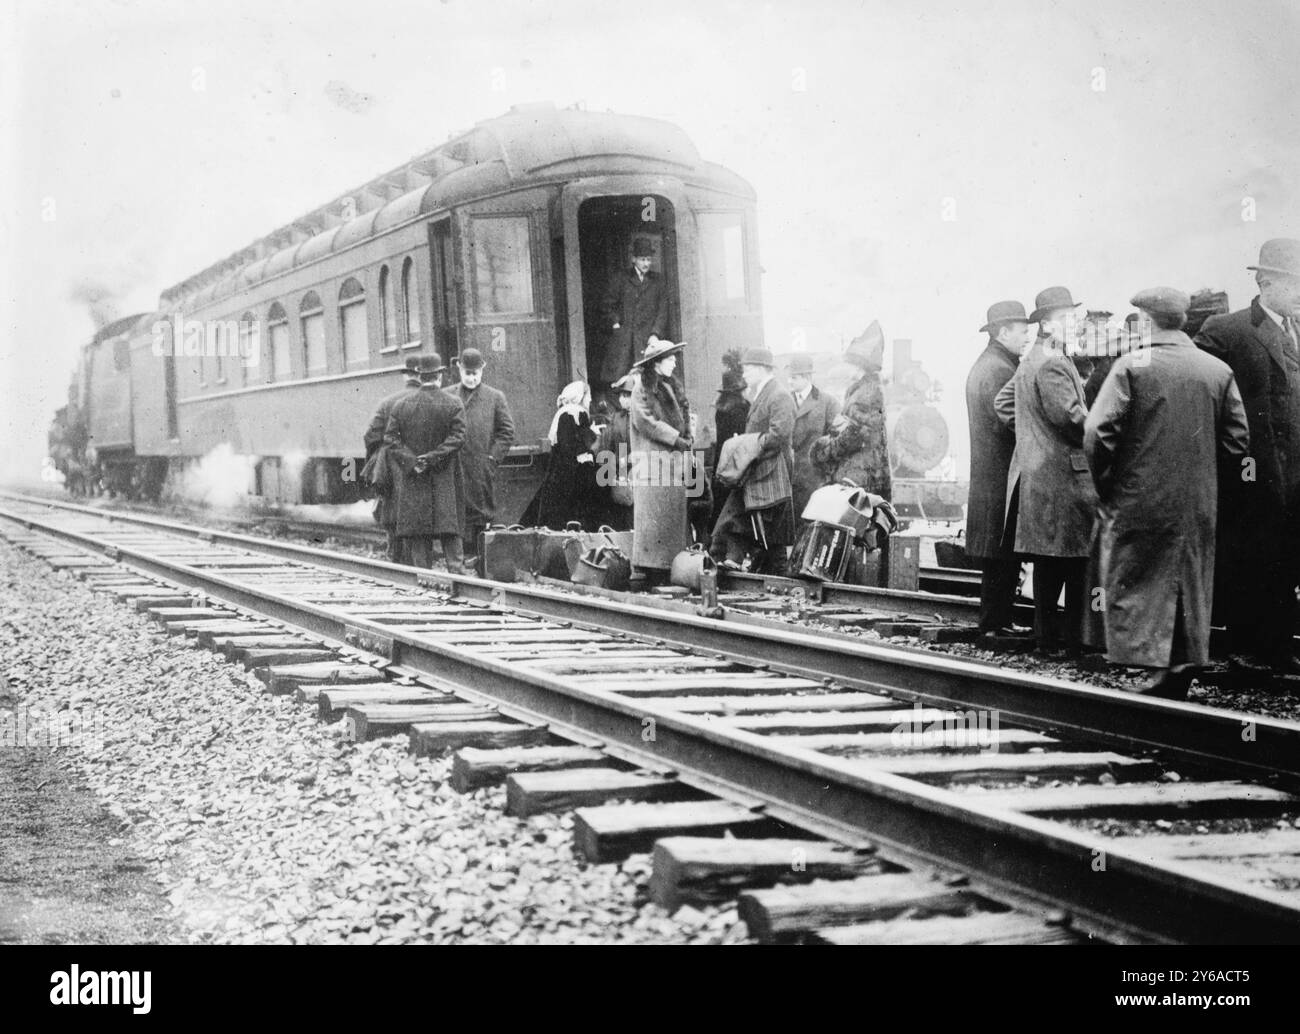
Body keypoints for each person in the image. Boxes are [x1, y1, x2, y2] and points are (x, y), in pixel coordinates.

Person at [1085, 288, 1250, 698]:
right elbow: (1238, 442)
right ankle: (1180, 664)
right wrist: (1209, 487)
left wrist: (1107, 483)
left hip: (1138, 497)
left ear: (1147, 320)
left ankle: (1154, 663)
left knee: (1138, 579)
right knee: (1187, 581)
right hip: (1197, 503)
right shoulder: (1216, 370)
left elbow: (1096, 433)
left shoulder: (1133, 365)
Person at [1195, 238, 1300, 677]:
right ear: (1265, 283)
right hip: (1251, 470)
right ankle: (1244, 645)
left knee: (1287, 556)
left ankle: (1276, 645)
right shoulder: (1229, 329)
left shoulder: (1296, 330)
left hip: (1294, 470)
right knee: (1251, 557)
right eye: (1295, 285)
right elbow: (1201, 394)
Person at [995, 286, 1097, 655]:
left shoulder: (1034, 358)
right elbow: (1071, 418)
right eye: (1072, 318)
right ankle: (1068, 641)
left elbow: (1004, 401)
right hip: (1064, 478)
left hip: (1041, 475)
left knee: (1049, 563)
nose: (1079, 324)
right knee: (1071, 563)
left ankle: (1048, 639)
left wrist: (1029, 436)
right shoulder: (1053, 361)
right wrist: (1107, 429)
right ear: (1053, 323)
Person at [964, 300, 1031, 635]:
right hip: (1001, 475)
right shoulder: (1000, 369)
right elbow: (1009, 422)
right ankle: (995, 623)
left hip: (990, 475)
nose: (1027, 338)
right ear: (1003, 331)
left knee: (998, 554)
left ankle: (997, 620)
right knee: (1001, 554)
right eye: (1022, 331)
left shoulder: (989, 364)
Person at [710, 347, 796, 574]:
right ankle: (727, 562)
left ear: (760, 369)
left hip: (772, 472)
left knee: (759, 524)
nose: (744, 375)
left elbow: (779, 436)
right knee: (753, 522)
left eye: (747, 369)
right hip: (760, 470)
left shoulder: (779, 395)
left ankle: (729, 561)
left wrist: (748, 445)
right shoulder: (764, 394)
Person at [383, 354, 467, 572]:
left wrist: (414, 461)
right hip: (444, 478)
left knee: (419, 535)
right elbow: (458, 437)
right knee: (450, 530)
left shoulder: (401, 406)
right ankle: (459, 579)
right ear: (439, 375)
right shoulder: (453, 403)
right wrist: (433, 458)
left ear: (419, 376)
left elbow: (390, 439)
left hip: (414, 477)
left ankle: (424, 581)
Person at [629, 338, 694, 574]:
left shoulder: (670, 386)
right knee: (654, 519)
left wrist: (687, 435)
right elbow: (645, 421)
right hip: (652, 463)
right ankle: (649, 568)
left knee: (670, 519)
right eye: (670, 358)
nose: (674, 362)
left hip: (671, 462)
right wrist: (676, 438)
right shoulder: (642, 389)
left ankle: (669, 566)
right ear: (656, 363)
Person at [445, 347, 515, 565]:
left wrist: (492, 459)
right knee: (454, 511)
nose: (472, 378)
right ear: (459, 370)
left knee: (481, 512)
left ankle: (479, 558)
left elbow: (506, 432)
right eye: (468, 373)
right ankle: (459, 558)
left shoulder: (495, 397)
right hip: (453, 466)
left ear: (482, 371)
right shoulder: (447, 395)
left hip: (480, 467)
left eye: (476, 373)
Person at [809, 321, 892, 498]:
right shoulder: (863, 390)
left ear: (859, 366)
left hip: (860, 476)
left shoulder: (867, 393)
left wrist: (826, 450)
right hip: (861, 473)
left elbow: (856, 434)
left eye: (850, 365)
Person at [521, 380, 602, 530]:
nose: (590, 400)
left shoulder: (564, 412)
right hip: (573, 474)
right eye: (588, 396)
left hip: (559, 472)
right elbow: (576, 444)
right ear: (580, 397)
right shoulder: (577, 412)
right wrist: (594, 435)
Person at [363, 358, 420, 563]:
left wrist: (377, 459)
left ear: (406, 376)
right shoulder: (437, 399)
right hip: (423, 467)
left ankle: (396, 562)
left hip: (394, 469)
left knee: (393, 517)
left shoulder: (388, 402)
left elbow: (370, 435)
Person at [599, 237, 668, 387]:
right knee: (622, 380)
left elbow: (662, 310)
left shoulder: (658, 281)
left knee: (648, 379)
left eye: (649, 259)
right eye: (643, 259)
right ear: (633, 259)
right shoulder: (621, 278)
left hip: (648, 339)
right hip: (625, 340)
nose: (646, 263)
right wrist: (616, 324)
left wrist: (655, 333)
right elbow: (607, 305)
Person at [787, 353, 841, 522]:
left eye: (794, 378)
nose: (790, 382)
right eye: (789, 377)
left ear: (807, 377)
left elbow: (838, 438)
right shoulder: (784, 401)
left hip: (815, 477)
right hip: (788, 476)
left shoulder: (827, 402)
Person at [594, 372, 636, 530]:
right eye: (621, 395)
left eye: (628, 395)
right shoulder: (617, 418)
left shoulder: (643, 418)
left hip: (640, 470)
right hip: (620, 469)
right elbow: (604, 443)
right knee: (621, 512)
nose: (623, 399)